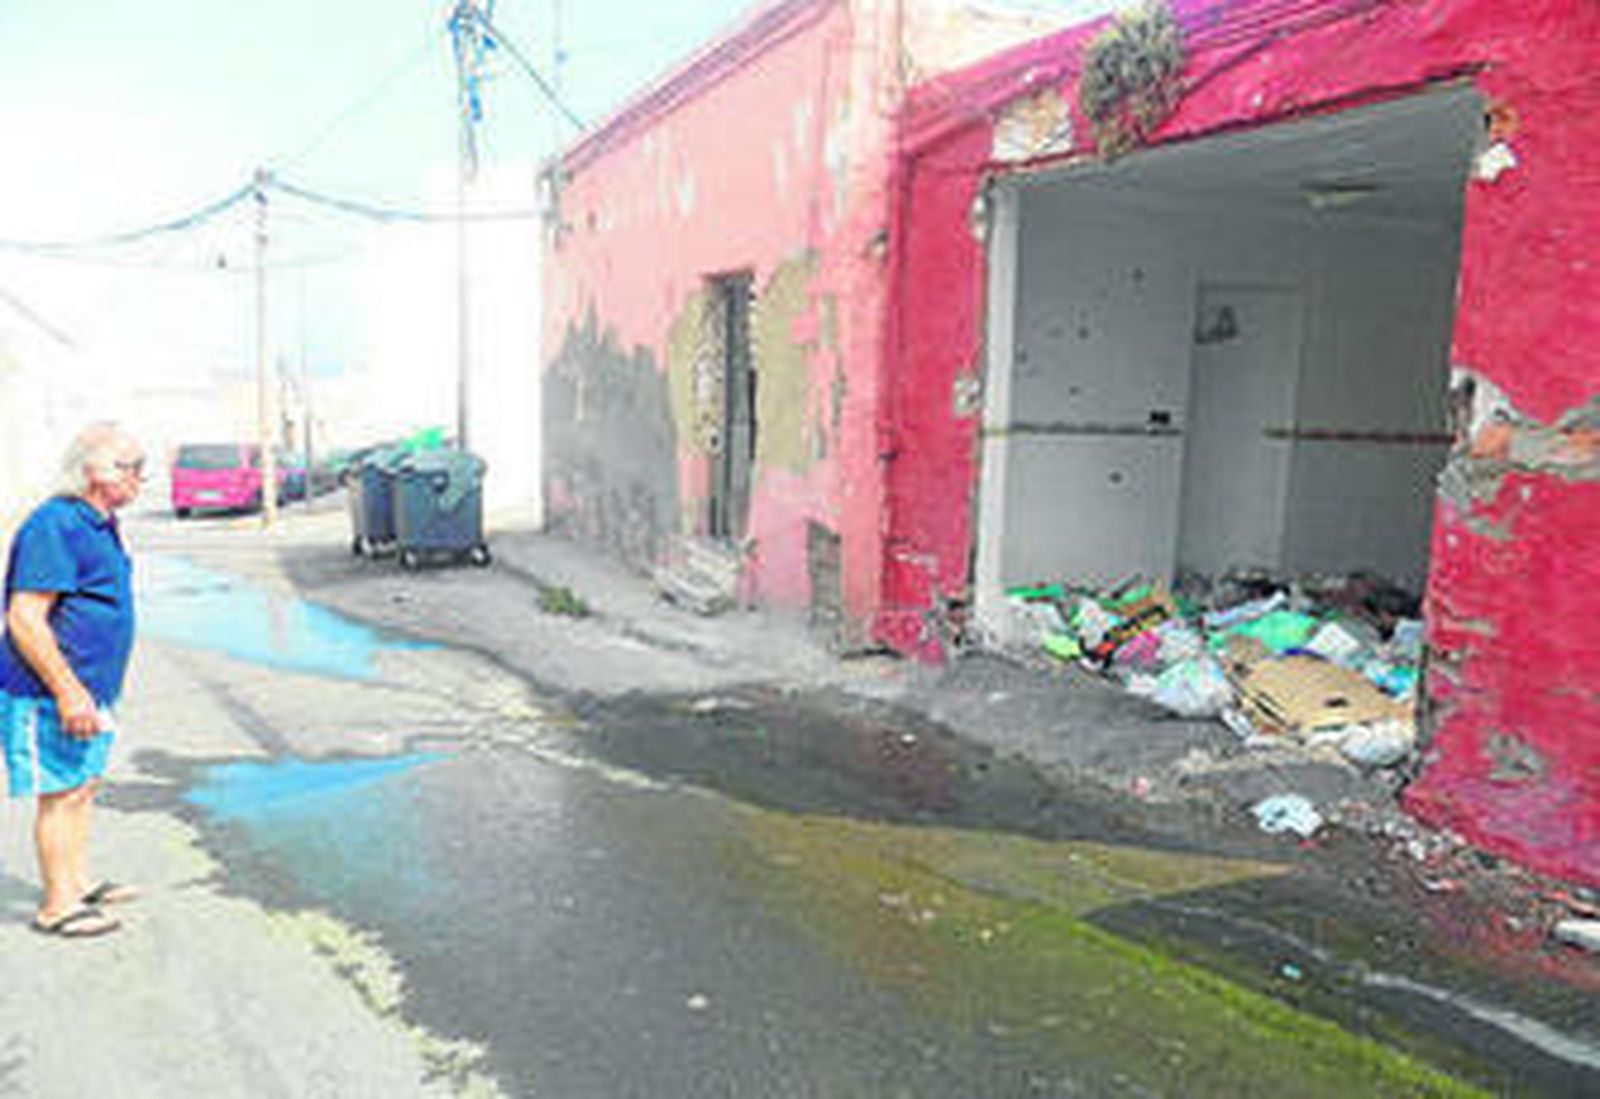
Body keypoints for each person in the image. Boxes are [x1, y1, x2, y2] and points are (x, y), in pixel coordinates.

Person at [0, 422, 145, 937]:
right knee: (60, 793)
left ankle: (77, 884)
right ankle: (58, 905)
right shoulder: (53, 524)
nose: (139, 477)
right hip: (50, 693)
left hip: (90, 690)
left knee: (81, 787)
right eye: (129, 466)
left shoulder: (98, 522)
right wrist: (66, 690)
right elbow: (25, 617)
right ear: (90, 472)